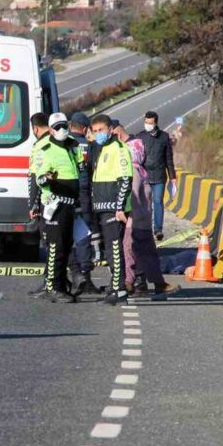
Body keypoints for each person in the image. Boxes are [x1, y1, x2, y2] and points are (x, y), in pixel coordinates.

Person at [27, 112, 84, 302]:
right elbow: (38, 178)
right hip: (55, 204)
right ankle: (53, 287)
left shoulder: (72, 146)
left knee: (66, 247)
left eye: (65, 126)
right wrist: (47, 179)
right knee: (55, 247)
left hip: (70, 204)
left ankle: (60, 284)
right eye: (58, 127)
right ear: (50, 130)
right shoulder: (45, 148)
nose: (63, 130)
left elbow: (80, 168)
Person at [121, 134, 181, 301]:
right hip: (136, 220)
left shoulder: (139, 170)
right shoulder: (135, 171)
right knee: (135, 252)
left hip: (140, 220)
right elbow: (132, 196)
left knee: (137, 252)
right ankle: (131, 283)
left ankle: (140, 283)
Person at [88, 113, 133, 305]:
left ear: (110, 129)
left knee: (115, 249)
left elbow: (125, 180)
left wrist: (120, 207)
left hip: (113, 208)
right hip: (101, 207)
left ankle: (119, 290)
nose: (98, 134)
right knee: (109, 250)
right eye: (95, 131)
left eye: (101, 130)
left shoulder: (119, 149)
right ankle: (116, 287)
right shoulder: (100, 149)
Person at [67, 112, 102, 294]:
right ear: (84, 128)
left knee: (66, 236)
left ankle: (74, 275)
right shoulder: (89, 146)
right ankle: (85, 275)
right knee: (85, 234)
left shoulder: (64, 143)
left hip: (67, 192)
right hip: (85, 195)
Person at [136, 111, 177, 242]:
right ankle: (145, 228)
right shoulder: (140, 136)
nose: (148, 125)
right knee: (145, 203)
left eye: (150, 123)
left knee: (158, 201)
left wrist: (173, 176)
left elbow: (169, 159)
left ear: (156, 123)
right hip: (145, 176)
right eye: (146, 122)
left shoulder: (164, 137)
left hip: (159, 175)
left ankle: (158, 229)